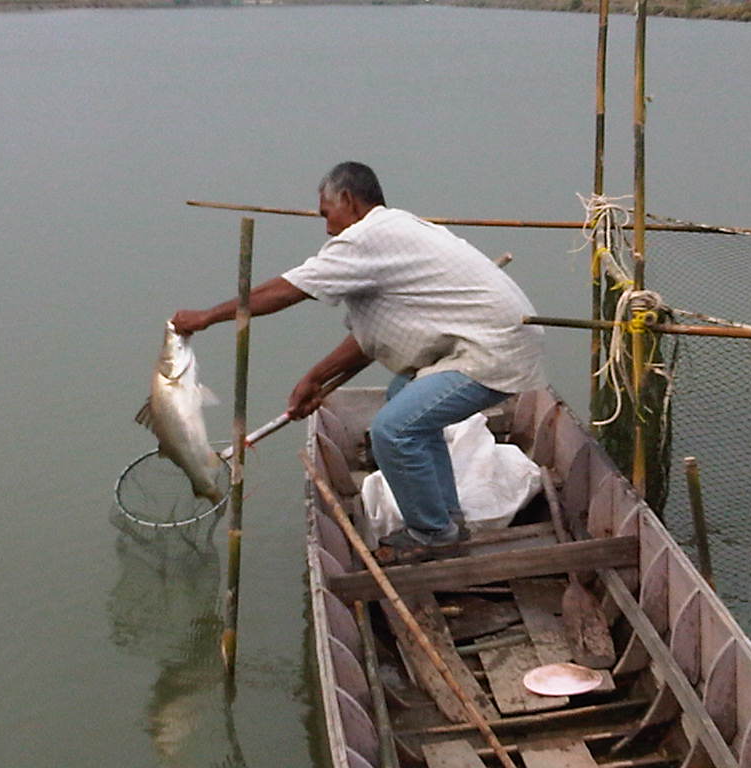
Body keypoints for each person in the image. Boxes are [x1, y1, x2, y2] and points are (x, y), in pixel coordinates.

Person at [171, 161, 546, 564]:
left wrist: (208, 317)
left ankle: (434, 535)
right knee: (404, 392)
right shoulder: (396, 231)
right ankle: (446, 516)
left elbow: (285, 291)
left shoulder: (368, 238)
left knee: (395, 431)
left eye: (327, 214)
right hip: (484, 343)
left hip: (495, 349)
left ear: (348, 200)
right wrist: (314, 378)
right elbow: (372, 338)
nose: (328, 229)